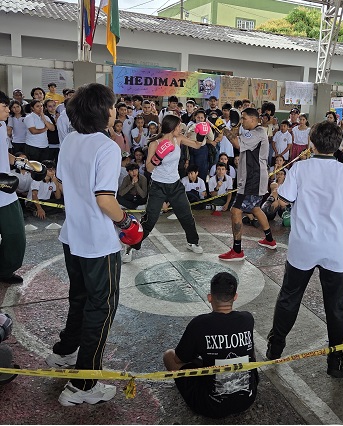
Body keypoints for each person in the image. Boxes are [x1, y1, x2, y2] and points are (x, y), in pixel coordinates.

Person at [45, 83, 143, 406]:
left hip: (72, 237)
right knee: (101, 308)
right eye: (112, 106)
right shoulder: (107, 147)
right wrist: (127, 222)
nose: (115, 111)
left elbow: (61, 184)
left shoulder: (70, 141)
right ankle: (84, 384)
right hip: (98, 244)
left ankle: (65, 352)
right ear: (104, 111)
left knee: (80, 298)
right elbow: (105, 199)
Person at [266, 120, 343, 378]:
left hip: (304, 246)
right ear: (339, 144)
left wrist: (276, 191)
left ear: (312, 142)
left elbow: (284, 201)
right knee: (336, 306)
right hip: (335, 248)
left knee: (289, 297)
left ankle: (275, 347)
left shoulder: (299, 168)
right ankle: (336, 362)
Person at [163, 272, 258, 418]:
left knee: (169, 356)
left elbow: (178, 359)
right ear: (235, 297)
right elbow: (251, 355)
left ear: (209, 297)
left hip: (210, 405)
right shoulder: (247, 319)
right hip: (247, 399)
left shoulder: (199, 324)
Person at [129, 114, 205, 254]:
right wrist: (158, 157)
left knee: (186, 215)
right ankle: (132, 247)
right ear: (172, 127)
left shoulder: (178, 139)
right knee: (150, 219)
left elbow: (197, 145)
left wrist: (201, 135)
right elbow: (149, 168)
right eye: (178, 126)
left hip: (175, 184)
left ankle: (193, 242)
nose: (180, 129)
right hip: (158, 185)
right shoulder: (155, 143)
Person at [218, 108, 276, 260]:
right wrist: (234, 125)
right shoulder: (252, 132)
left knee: (235, 211)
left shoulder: (257, 133)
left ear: (253, 119)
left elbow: (236, 143)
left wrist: (223, 127)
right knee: (255, 208)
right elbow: (237, 137)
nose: (242, 121)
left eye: (244, 118)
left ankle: (237, 250)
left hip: (253, 178)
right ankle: (269, 240)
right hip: (253, 178)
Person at [0, 91, 27, 284]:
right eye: (4, 107)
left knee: (16, 237)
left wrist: (23, 163)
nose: (8, 111)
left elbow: (5, 154)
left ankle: (4, 271)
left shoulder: (2, 126)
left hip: (6, 194)